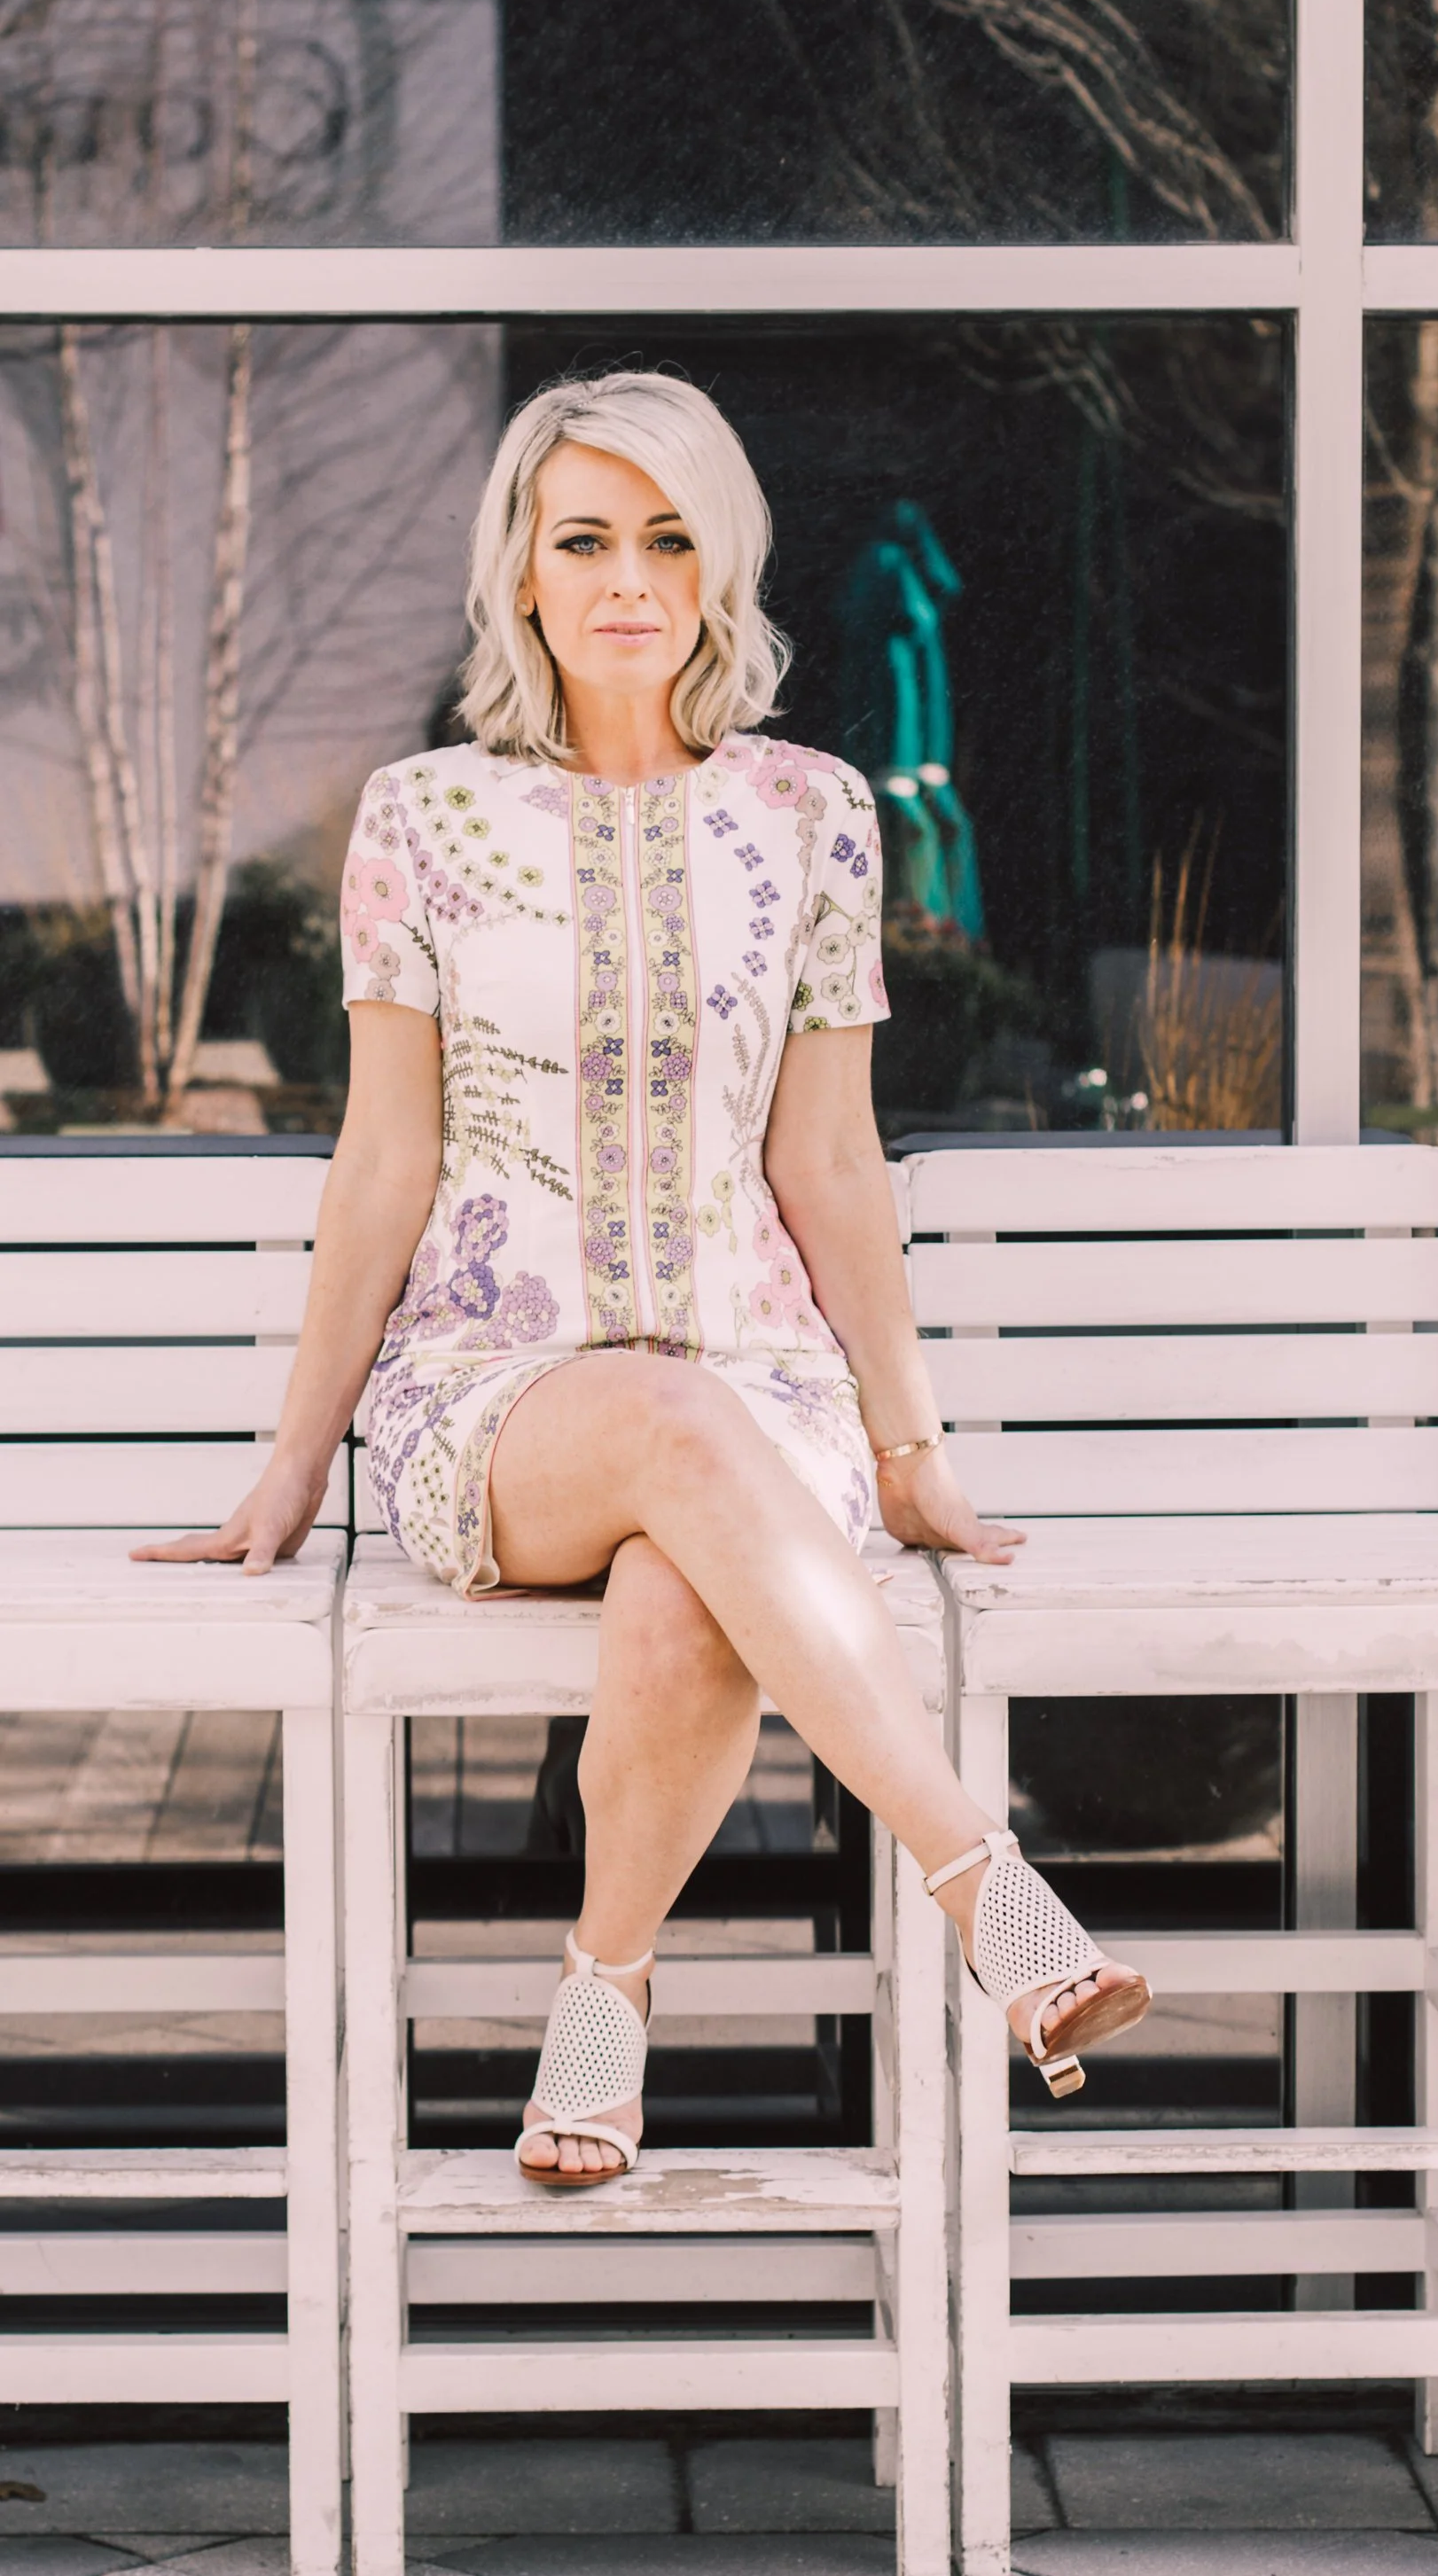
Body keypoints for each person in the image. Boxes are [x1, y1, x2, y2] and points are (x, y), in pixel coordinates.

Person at [137, 371, 1149, 2183]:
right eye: (586, 538)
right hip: (493, 1398)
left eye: (670, 540)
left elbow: (829, 1159)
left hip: (763, 1386)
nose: (628, 578)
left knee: (687, 1576)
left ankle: (601, 2008)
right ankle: (991, 1891)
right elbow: (385, 1158)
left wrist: (908, 1450)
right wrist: (293, 1460)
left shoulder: (815, 815)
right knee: (671, 1428)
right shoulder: (422, 818)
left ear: (721, 567)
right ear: (522, 572)